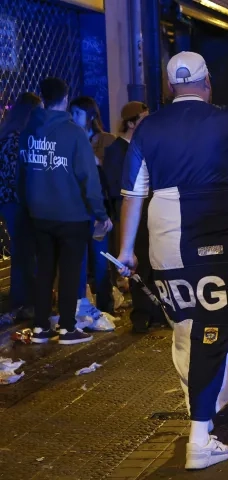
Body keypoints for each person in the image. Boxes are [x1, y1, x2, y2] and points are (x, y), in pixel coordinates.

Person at [116, 50, 228, 470]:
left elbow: (132, 194)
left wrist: (125, 251)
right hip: (215, 233)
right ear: (208, 81)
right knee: (214, 328)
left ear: (169, 87)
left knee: (188, 328)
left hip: (165, 236)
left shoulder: (148, 128)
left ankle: (203, 415)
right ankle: (199, 435)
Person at [19, 77, 112, 345]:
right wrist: (101, 213)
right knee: (70, 271)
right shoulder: (74, 133)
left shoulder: (28, 131)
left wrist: (27, 204)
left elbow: (21, 172)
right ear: (65, 98)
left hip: (38, 213)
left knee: (44, 269)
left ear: (43, 97)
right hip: (71, 214)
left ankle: (40, 327)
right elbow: (88, 178)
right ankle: (67, 327)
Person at [103, 101, 161, 333]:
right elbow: (117, 188)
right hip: (132, 216)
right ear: (131, 123)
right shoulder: (116, 150)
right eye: (143, 118)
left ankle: (157, 311)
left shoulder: (148, 145)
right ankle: (141, 314)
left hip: (152, 212)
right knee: (138, 265)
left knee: (154, 261)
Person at [68, 96, 118, 329]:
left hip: (99, 211)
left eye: (77, 113)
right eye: (71, 112)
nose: (73, 117)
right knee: (79, 262)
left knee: (101, 260)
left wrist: (98, 163)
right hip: (76, 209)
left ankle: (106, 307)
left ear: (90, 115)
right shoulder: (69, 139)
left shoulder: (106, 140)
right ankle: (81, 310)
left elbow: (114, 174)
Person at [0, 92, 40, 324]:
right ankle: (25, 303)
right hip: (19, 202)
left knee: (21, 251)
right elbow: (19, 176)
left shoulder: (6, 136)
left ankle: (22, 301)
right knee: (26, 253)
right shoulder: (18, 140)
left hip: (7, 202)